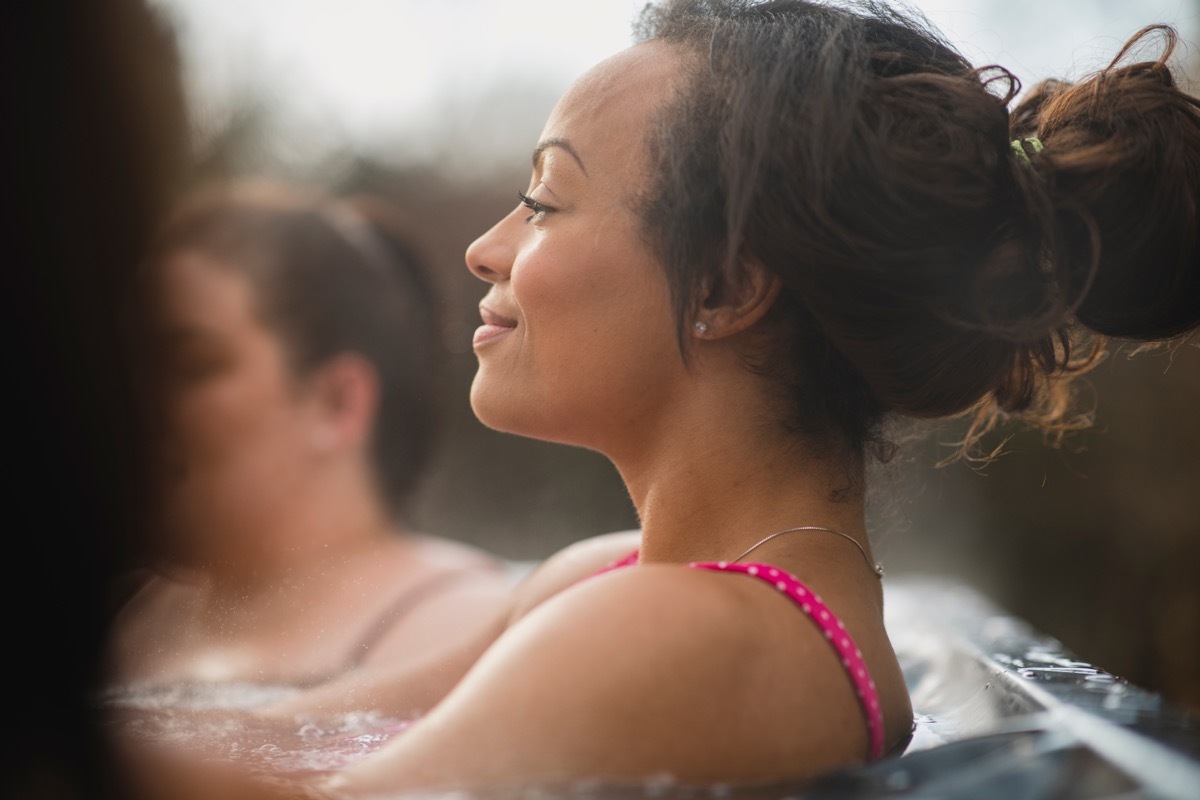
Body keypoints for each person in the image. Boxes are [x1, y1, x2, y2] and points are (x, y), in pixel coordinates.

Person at [289, 0, 1194, 795]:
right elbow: (286, 737)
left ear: (722, 288)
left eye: (545, 200)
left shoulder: (684, 633)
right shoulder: (627, 580)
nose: (485, 249)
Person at [103, 180, 517, 697]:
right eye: (129, 365)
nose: (132, 402)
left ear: (337, 403)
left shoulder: (469, 630)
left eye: (190, 366)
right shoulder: (122, 622)